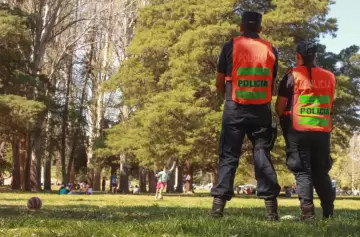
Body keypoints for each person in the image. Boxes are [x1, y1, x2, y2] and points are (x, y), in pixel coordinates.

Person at [210, 11, 280, 220]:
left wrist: (227, 97)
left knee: (229, 156)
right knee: (262, 155)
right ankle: (271, 210)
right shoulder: (271, 49)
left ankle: (217, 209)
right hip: (261, 109)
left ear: (241, 27)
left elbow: (219, 80)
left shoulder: (230, 45)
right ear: (260, 28)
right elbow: (272, 80)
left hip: (235, 107)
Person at [275, 41, 336, 220]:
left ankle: (308, 214)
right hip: (323, 130)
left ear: (298, 56)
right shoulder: (330, 76)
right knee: (321, 172)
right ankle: (329, 213)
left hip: (298, 131)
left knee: (302, 172)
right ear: (315, 56)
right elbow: (330, 104)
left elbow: (280, 106)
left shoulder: (292, 76)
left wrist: (284, 121)